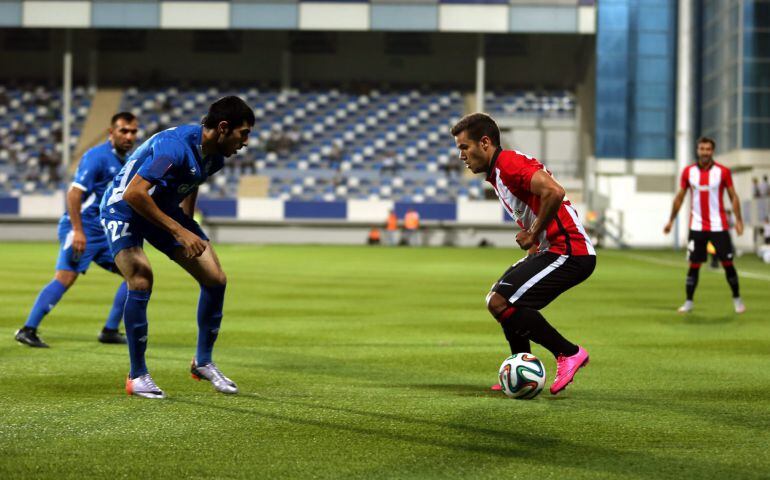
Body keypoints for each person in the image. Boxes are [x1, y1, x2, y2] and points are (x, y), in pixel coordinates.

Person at [100, 96, 254, 399]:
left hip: (163, 210)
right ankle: (137, 375)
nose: (246, 142)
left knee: (215, 279)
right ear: (223, 128)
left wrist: (186, 220)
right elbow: (134, 193)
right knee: (141, 278)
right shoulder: (175, 147)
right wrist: (180, 231)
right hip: (124, 208)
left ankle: (203, 361)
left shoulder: (215, 157)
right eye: (244, 133)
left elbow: (191, 182)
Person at [451, 113, 595, 395]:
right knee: (497, 299)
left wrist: (533, 232)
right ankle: (521, 365)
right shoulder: (497, 174)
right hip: (552, 249)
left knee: (502, 301)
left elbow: (554, 191)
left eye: (464, 147)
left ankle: (569, 353)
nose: (461, 156)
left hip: (569, 251)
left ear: (484, 143)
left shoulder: (509, 163)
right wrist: (533, 245)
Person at [15, 112, 139, 348]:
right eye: (124, 130)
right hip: (82, 226)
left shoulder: (126, 161)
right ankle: (27, 329)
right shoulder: (97, 157)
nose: (129, 135)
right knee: (65, 277)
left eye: (133, 131)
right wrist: (78, 230)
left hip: (103, 232)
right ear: (111, 132)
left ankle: (110, 331)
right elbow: (74, 193)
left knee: (135, 275)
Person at [664, 136, 745, 314]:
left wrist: (739, 220)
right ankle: (689, 302)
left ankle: (737, 299)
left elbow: (733, 196)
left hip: (719, 226)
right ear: (697, 150)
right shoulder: (688, 172)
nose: (705, 152)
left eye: (708, 149)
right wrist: (671, 220)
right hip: (697, 226)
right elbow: (680, 197)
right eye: (702, 149)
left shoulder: (722, 172)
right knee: (694, 265)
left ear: (712, 151)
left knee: (727, 263)